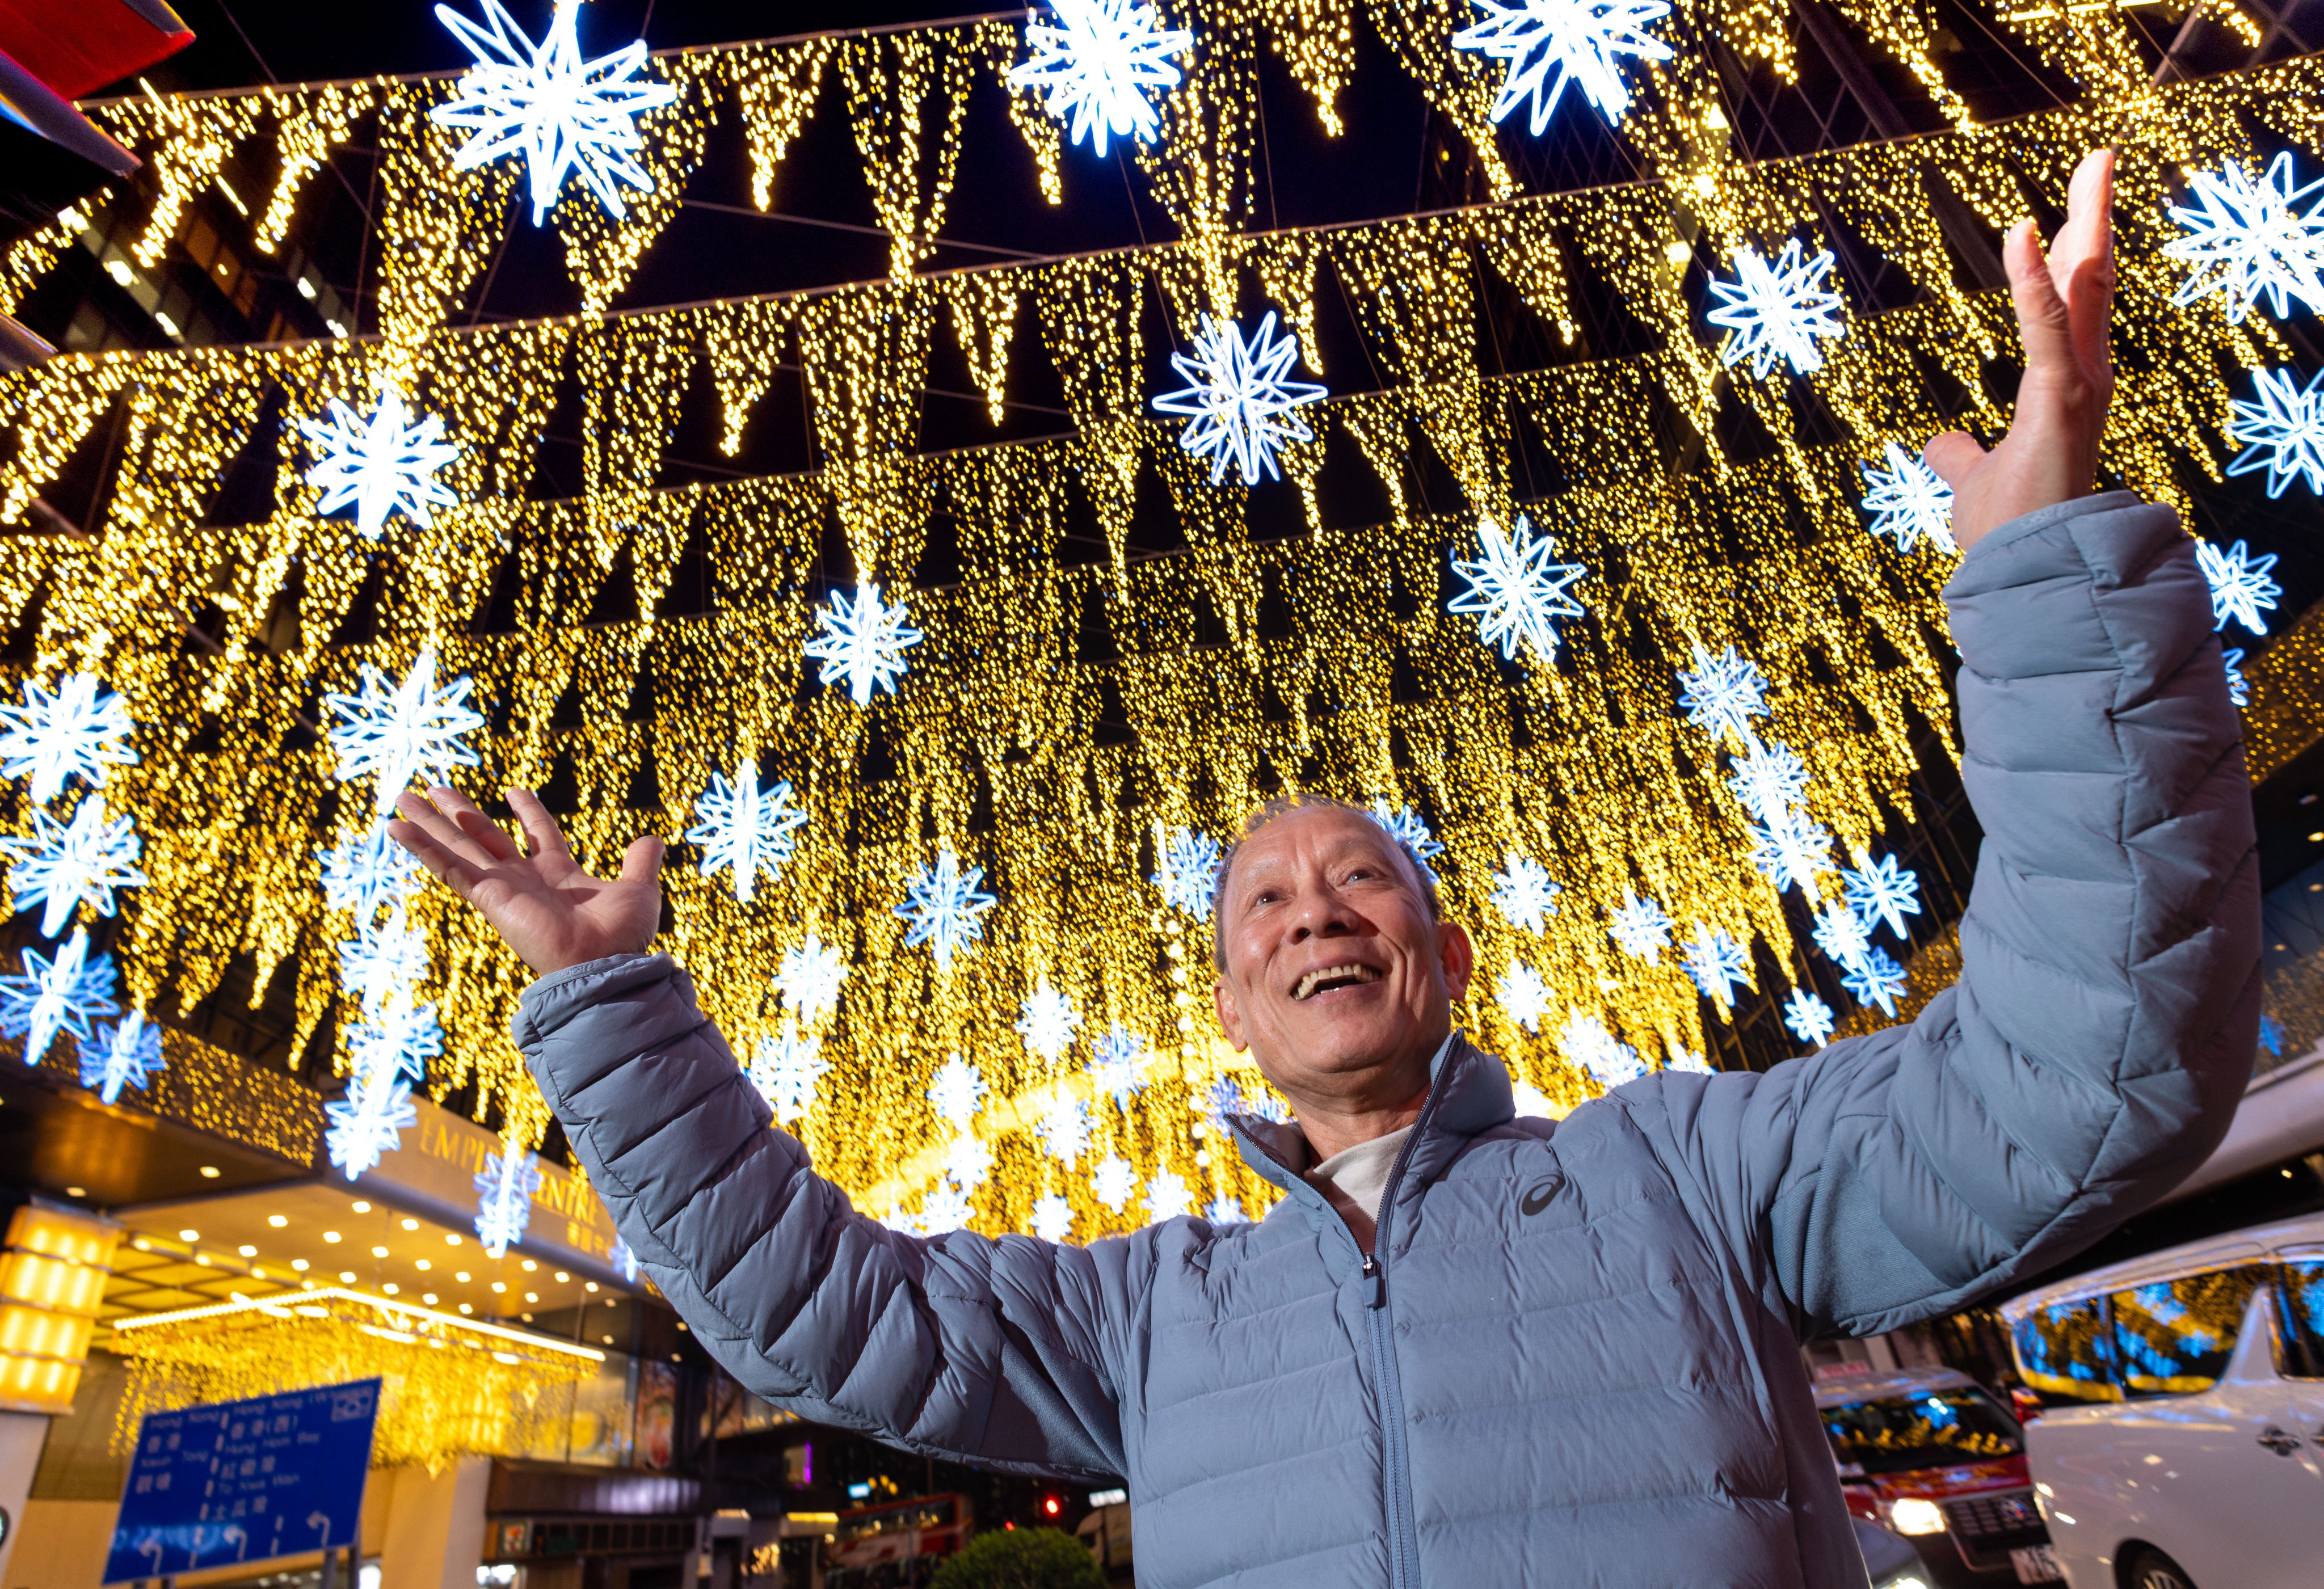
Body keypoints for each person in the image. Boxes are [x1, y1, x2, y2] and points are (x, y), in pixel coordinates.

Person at [389, 148, 2258, 1588]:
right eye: (1267, 901)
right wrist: (599, 998)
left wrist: (2045, 567)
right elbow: (825, 1307)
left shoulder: (1681, 1176)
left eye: (1356, 880)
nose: (1313, 910)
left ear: (1439, 958)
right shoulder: (1148, 1314)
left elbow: (2076, 1073)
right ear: (1230, 1000)